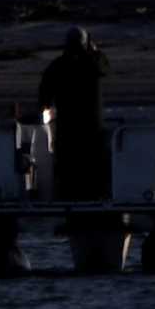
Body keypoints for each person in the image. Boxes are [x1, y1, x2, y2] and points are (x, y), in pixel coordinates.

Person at [38, 26, 111, 200]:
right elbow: (104, 66)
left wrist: (46, 107)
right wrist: (95, 50)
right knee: (93, 169)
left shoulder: (58, 65)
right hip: (92, 128)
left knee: (68, 170)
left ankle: (68, 200)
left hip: (67, 128)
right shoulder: (94, 63)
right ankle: (95, 199)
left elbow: (44, 91)